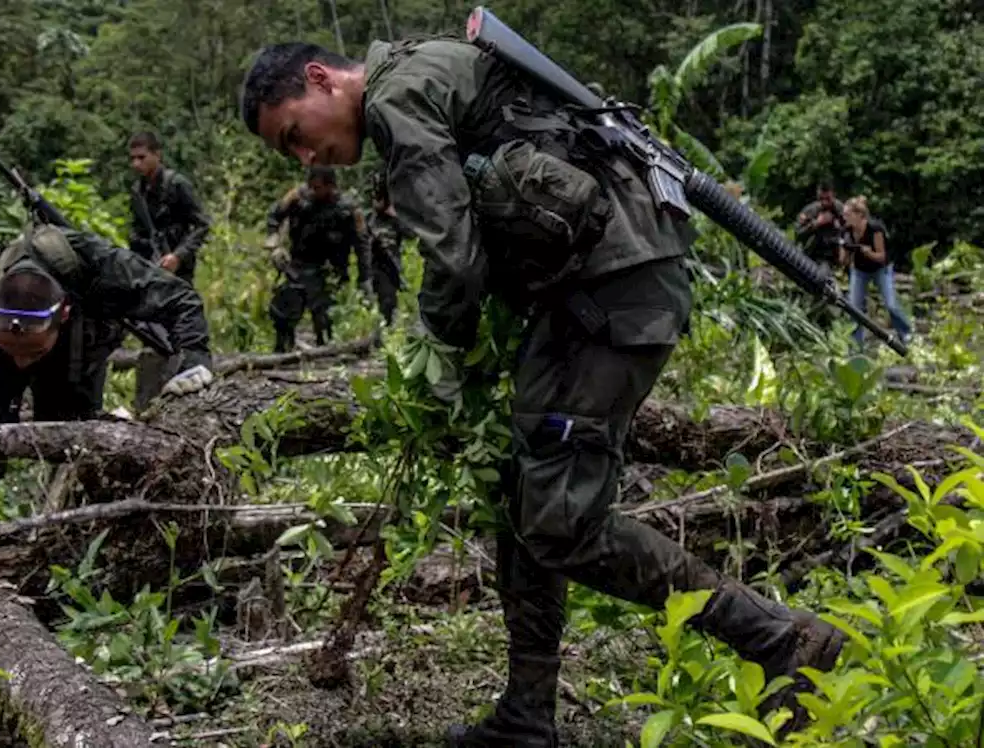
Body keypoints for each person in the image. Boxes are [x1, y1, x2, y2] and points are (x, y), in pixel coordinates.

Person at [240, 37, 845, 745]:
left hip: (613, 291)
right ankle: (528, 715)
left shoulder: (398, 95)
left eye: (295, 135)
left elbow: (453, 255)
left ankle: (781, 639)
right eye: (291, 155)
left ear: (320, 79)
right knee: (521, 497)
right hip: (592, 290)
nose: (307, 158)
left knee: (561, 519)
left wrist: (438, 347)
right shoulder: (426, 72)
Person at [0, 224, 215, 516]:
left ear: (63, 315)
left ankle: (85, 517)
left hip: (75, 345)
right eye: (14, 351)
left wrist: (194, 360)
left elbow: (180, 299)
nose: (22, 362)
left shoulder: (95, 265)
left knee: (74, 428)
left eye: (33, 352)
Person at [126, 131, 214, 409]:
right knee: (151, 326)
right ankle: (154, 394)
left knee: (181, 322)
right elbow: (137, 229)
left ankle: (187, 381)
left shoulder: (176, 185)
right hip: (151, 264)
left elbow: (202, 224)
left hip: (178, 265)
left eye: (142, 157)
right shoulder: (138, 191)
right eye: (133, 159)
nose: (136, 164)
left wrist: (178, 255)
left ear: (157, 155)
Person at [263, 166, 371, 352]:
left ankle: (324, 354)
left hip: (331, 269)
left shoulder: (349, 209)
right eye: (311, 186)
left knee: (324, 318)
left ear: (331, 186)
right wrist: (274, 242)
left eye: (318, 187)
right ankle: (283, 352)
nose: (313, 191)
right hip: (299, 264)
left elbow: (362, 244)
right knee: (285, 311)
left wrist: (364, 277)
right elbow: (275, 215)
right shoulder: (297, 197)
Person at [840, 196, 913, 347]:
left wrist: (868, 252)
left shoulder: (875, 228)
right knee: (854, 307)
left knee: (890, 304)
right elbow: (843, 261)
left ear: (859, 215)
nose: (844, 218)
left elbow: (881, 256)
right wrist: (845, 249)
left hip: (880, 268)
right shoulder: (846, 231)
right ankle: (856, 344)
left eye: (848, 215)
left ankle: (906, 333)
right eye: (844, 215)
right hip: (860, 270)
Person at [366, 169, 414, 325]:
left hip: (391, 268)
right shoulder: (369, 219)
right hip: (373, 269)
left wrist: (395, 214)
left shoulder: (396, 219)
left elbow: (412, 235)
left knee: (389, 303)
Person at [796, 181, 846, 271]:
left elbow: (850, 233)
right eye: (821, 199)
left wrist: (838, 227)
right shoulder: (810, 210)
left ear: (834, 195)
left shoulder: (841, 210)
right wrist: (816, 223)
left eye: (828, 199)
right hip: (811, 252)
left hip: (831, 256)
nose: (824, 202)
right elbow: (798, 234)